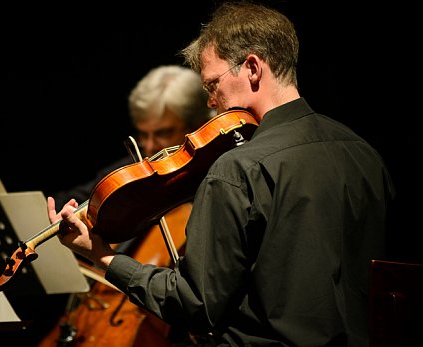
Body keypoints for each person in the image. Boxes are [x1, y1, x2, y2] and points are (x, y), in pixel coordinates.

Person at [47, 2, 395, 346]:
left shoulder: (237, 168)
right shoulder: (364, 155)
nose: (211, 102)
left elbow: (193, 303)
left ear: (253, 68)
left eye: (213, 85)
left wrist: (102, 256)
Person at [53, 64, 214, 206]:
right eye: (143, 135)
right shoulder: (136, 167)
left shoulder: (216, 175)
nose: (149, 146)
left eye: (163, 133)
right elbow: (77, 198)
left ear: (198, 125)